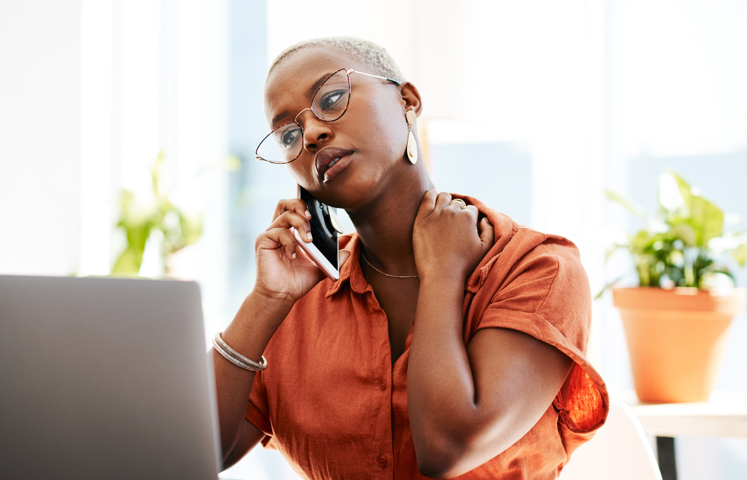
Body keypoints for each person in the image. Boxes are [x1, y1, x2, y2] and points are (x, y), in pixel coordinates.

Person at [213, 37, 608, 479]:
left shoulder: (538, 268)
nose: (311, 135)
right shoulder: (298, 296)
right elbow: (197, 453)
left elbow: (446, 449)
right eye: (289, 134)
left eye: (331, 99)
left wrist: (443, 274)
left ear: (407, 101)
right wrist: (266, 300)